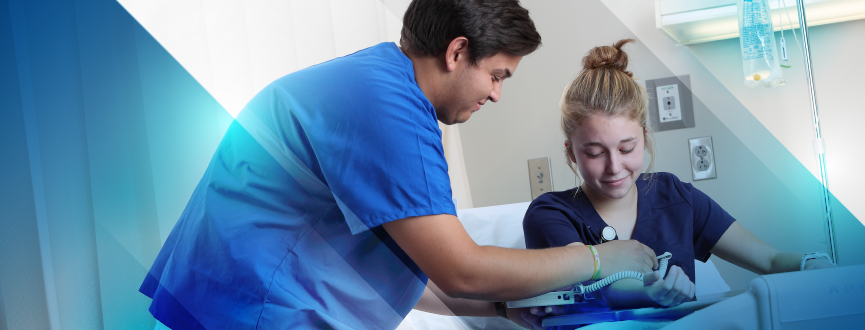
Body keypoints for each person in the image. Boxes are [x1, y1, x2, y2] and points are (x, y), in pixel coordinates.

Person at [140, 2, 660, 330]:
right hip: (253, 308)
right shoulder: (390, 111)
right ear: (457, 52)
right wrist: (604, 258)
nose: (497, 95)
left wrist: (503, 308)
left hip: (223, 298)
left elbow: (407, 268)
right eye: (497, 76)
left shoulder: (377, 83)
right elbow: (462, 270)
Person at [521, 39, 835, 321]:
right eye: (594, 153)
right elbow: (595, 281)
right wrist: (648, 292)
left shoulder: (674, 197)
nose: (614, 166)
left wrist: (810, 264)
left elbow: (769, 260)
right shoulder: (550, 214)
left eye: (627, 148)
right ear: (572, 153)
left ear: (644, 138)